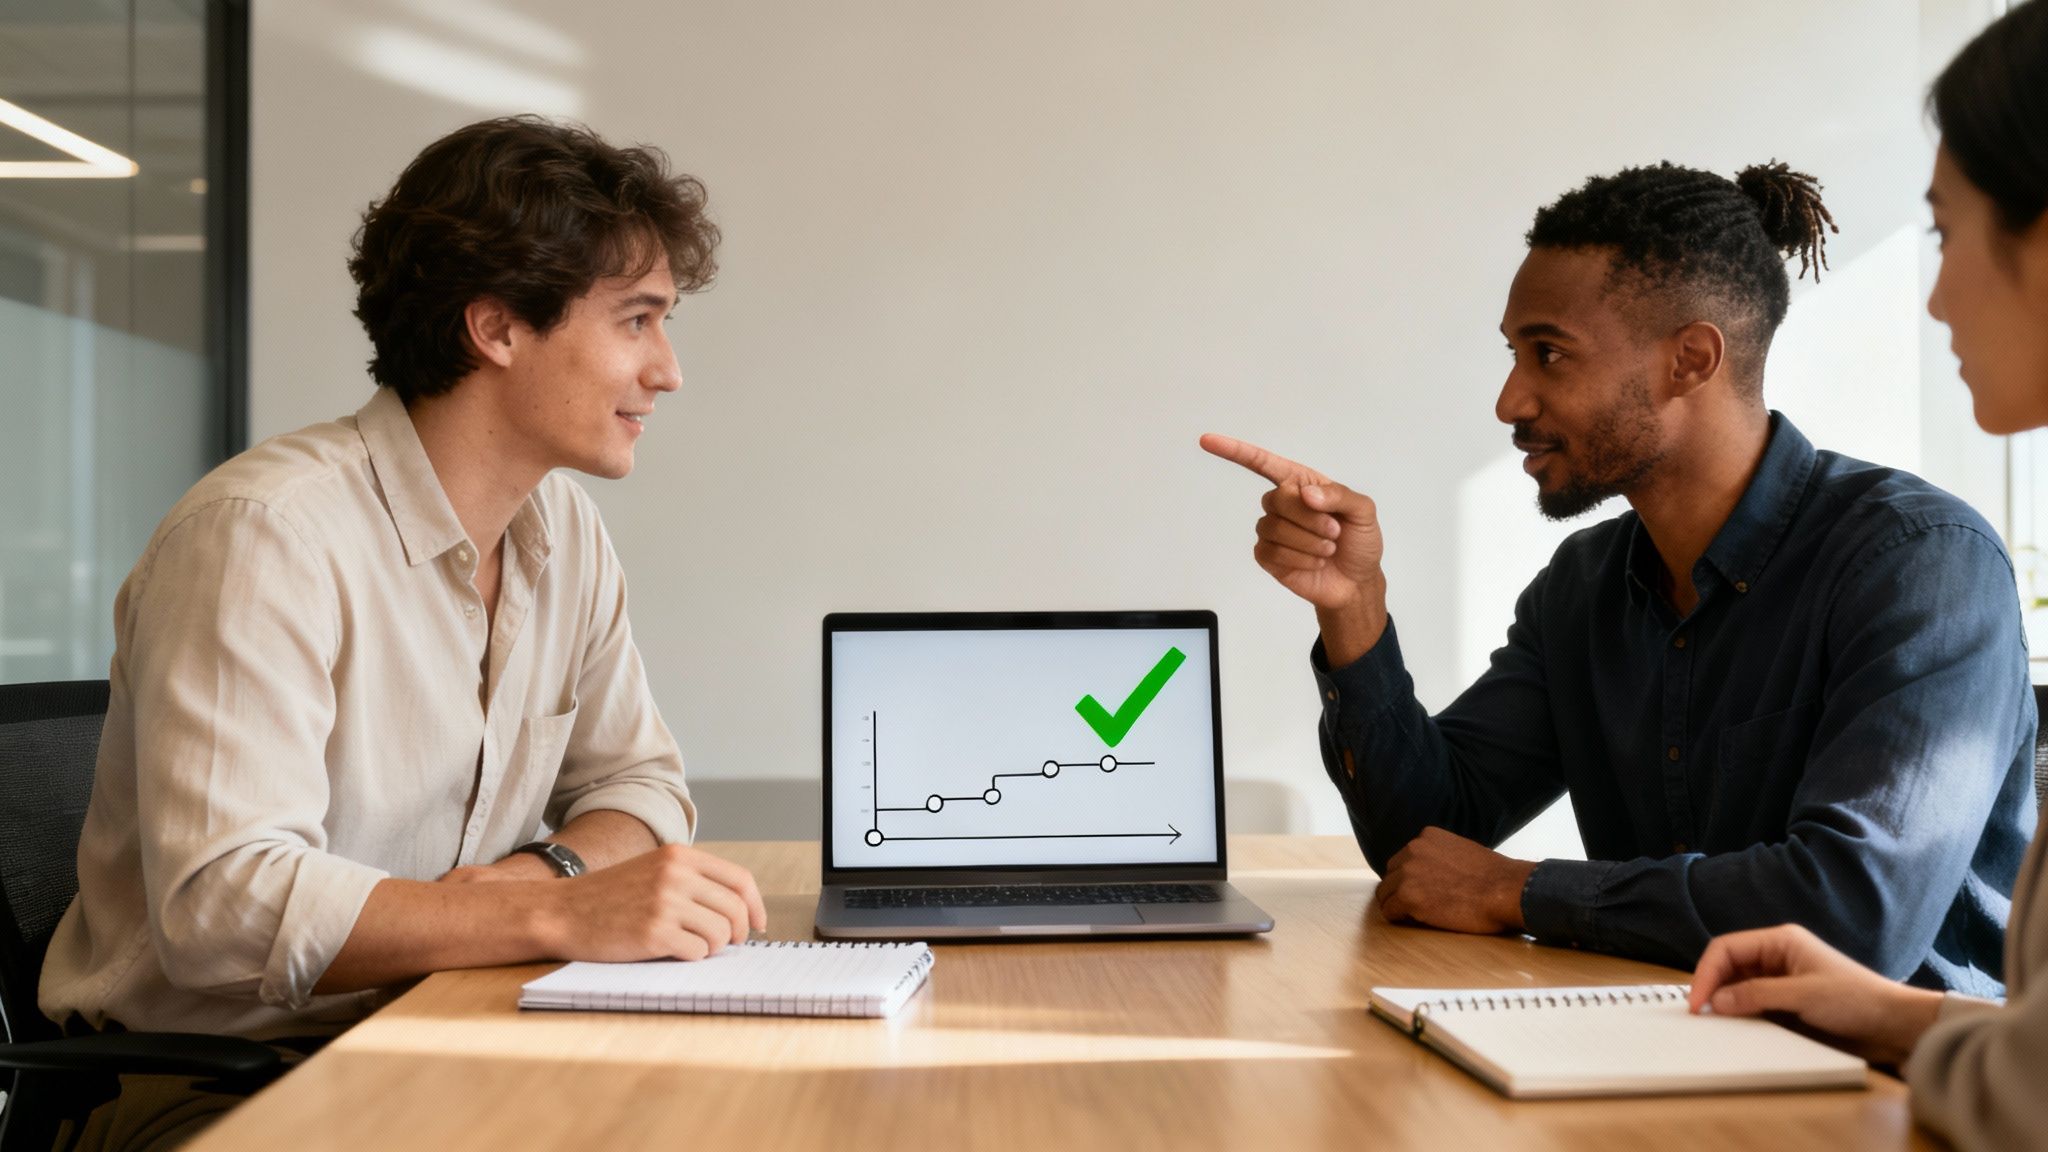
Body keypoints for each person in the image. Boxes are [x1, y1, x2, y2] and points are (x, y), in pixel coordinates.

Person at [38, 117, 765, 1148]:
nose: (668, 370)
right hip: (219, 1087)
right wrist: (553, 914)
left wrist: (535, 881)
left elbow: (641, 788)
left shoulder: (562, 531)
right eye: (637, 321)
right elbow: (223, 908)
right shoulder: (264, 537)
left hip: (452, 1027)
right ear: (498, 328)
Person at [1203, 158, 2034, 994]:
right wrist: (1354, 608)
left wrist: (1520, 891)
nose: (1509, 401)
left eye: (1549, 354)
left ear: (1690, 360)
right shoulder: (1585, 586)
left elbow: (1856, 915)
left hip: (1900, 1066)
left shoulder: (1921, 562)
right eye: (1513, 354)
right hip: (1664, 1038)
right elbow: (1426, 844)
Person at [1689, 3, 2048, 1148]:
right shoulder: (1586, 583)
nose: (1933, 296)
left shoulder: (1920, 557)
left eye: (1943, 232)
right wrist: (1892, 1016)